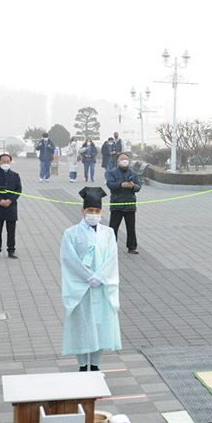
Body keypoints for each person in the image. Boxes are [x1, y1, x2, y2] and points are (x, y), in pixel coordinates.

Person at [60, 187, 121, 372]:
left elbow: (112, 257)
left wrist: (101, 277)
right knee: (81, 326)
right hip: (82, 288)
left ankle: (95, 365)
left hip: (101, 287)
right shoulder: (71, 233)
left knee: (100, 326)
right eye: (90, 211)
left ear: (101, 212)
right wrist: (87, 276)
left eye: (97, 211)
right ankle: (81, 365)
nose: (93, 214)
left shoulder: (108, 233)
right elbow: (69, 259)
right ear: (83, 211)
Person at [106, 152, 141, 254]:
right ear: (118, 161)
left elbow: (138, 187)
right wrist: (121, 185)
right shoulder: (112, 173)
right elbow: (110, 185)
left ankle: (132, 247)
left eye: (126, 159)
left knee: (131, 227)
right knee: (113, 227)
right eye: (122, 159)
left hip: (130, 205)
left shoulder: (133, 173)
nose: (124, 161)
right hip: (117, 205)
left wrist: (133, 186)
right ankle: (110, 247)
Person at [0, 154, 22, 260]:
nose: (6, 163)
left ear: (10, 162)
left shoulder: (15, 175)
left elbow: (18, 190)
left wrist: (10, 200)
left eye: (8, 161)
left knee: (11, 230)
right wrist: (0, 200)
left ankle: (11, 250)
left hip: (11, 207)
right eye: (3, 161)